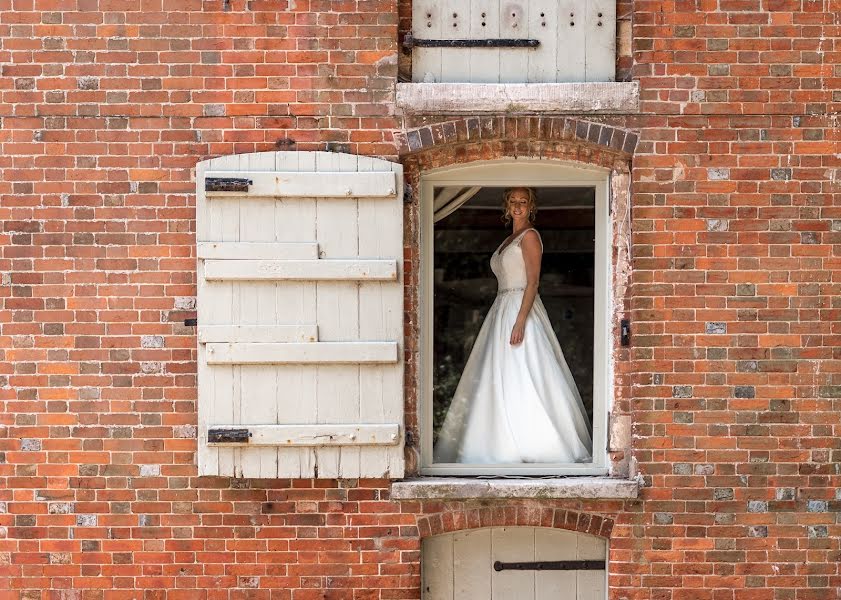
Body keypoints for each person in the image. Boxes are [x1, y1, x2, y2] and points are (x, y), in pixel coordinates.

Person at [433, 187, 593, 464]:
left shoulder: (530, 237)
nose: (518, 206)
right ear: (506, 206)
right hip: (502, 307)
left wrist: (520, 322)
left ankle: (536, 443)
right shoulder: (510, 239)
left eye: (524, 201)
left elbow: (533, 282)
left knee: (524, 370)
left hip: (519, 308)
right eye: (513, 201)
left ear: (531, 206)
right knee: (497, 374)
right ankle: (495, 442)